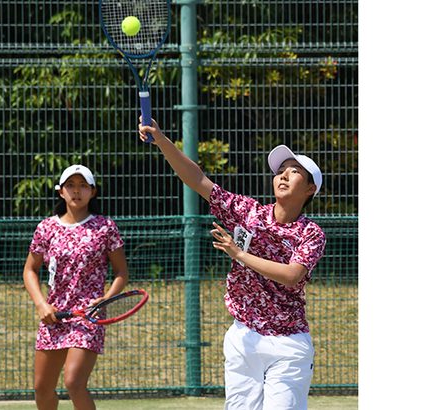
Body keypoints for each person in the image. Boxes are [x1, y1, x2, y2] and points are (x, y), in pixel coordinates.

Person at [138, 119, 326, 410]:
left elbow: (292, 275)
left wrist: (239, 255)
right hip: (243, 337)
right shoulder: (247, 212)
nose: (283, 176)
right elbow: (198, 180)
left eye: (294, 171)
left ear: (311, 188)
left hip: (289, 345)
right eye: (279, 171)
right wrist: (161, 139)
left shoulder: (311, 233)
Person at [23, 164, 129, 410]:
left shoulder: (105, 227)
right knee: (42, 388)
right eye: (71, 185)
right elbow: (30, 269)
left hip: (88, 316)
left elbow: (121, 273)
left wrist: (105, 299)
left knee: (73, 382)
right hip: (53, 316)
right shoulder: (46, 228)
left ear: (93, 192)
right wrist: (41, 304)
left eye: (83, 186)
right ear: (61, 191)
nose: (76, 191)